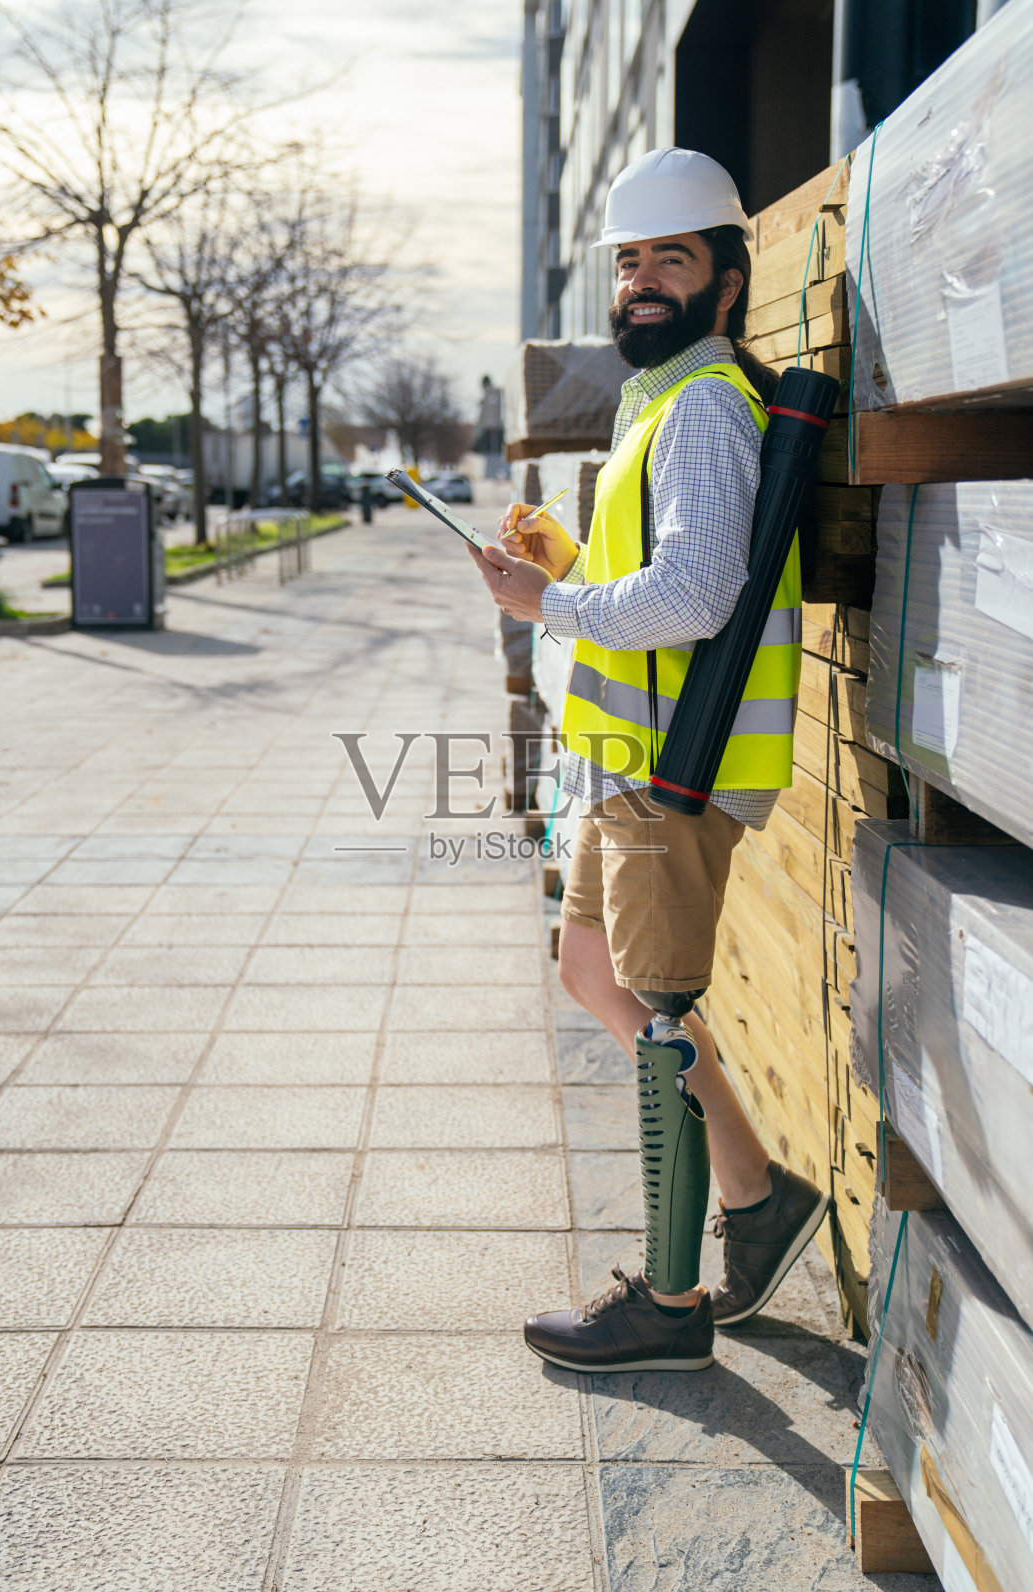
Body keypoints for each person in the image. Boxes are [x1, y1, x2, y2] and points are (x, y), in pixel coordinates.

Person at [470, 147, 828, 1374]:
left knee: (658, 1013)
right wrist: (562, 564)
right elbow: (658, 574)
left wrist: (545, 608)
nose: (639, 284)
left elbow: (694, 590)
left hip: (671, 775)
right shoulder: (659, 402)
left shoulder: (706, 408)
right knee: (591, 974)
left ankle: (668, 1309)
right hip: (628, 760)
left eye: (668, 261)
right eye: (628, 263)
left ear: (726, 282)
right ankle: (756, 1193)